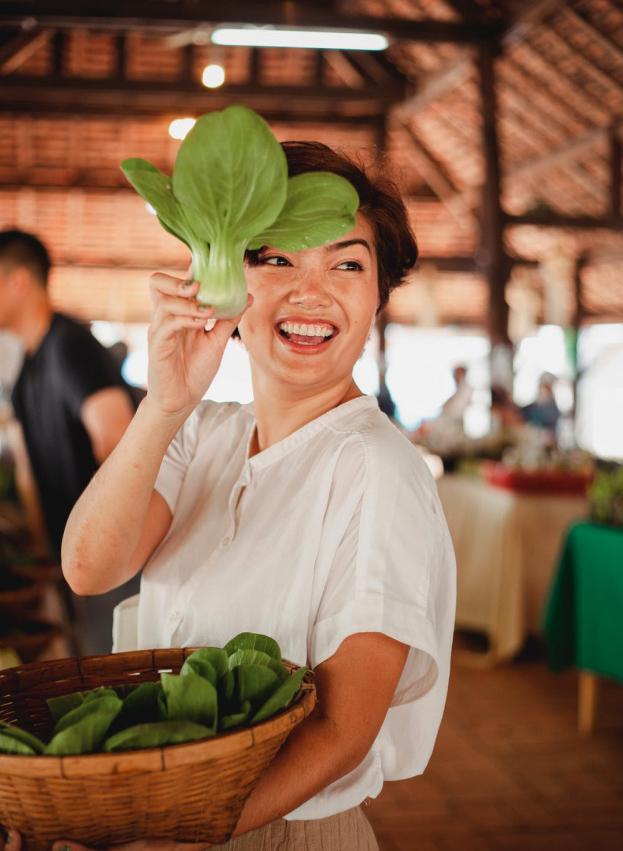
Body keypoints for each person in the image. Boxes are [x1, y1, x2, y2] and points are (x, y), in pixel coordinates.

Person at [4, 142, 456, 850]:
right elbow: (90, 566)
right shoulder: (200, 431)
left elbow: (341, 727)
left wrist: (179, 833)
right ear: (223, 283)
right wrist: (163, 402)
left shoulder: (374, 467)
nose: (311, 291)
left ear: (377, 297)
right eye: (275, 258)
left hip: (271, 830)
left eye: (346, 263)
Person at [0, 230, 140, 654]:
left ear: (19, 281)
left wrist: (97, 540)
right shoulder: (26, 369)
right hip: (74, 564)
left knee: (115, 672)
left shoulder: (71, 345)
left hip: (110, 557)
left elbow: (117, 439)